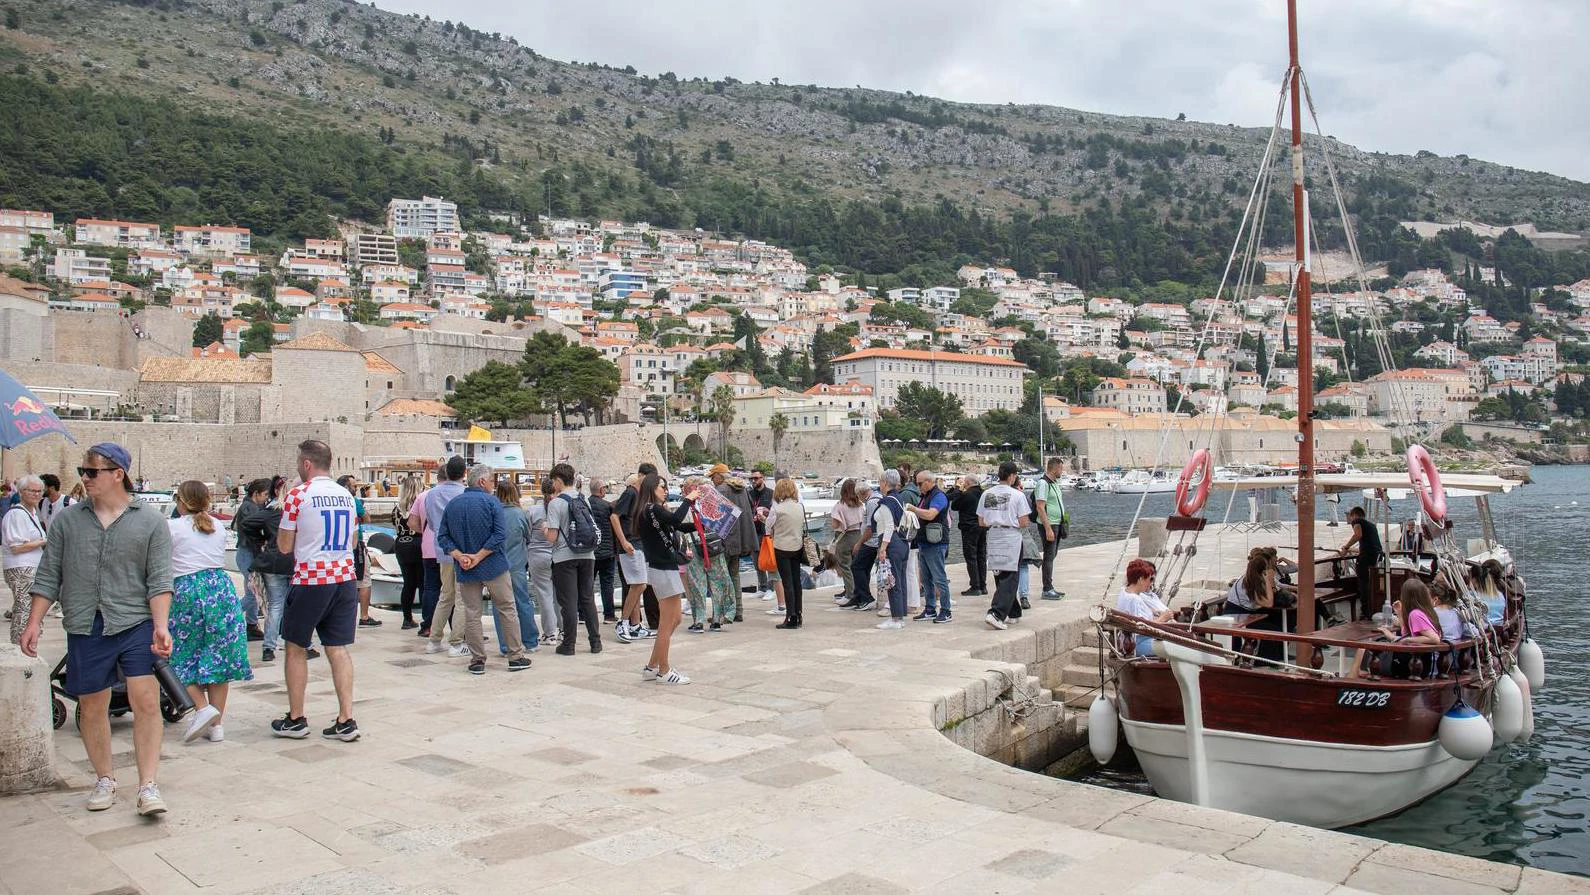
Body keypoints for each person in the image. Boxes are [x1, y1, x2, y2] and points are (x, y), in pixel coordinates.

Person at [20, 443, 175, 815]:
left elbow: (159, 579)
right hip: (85, 622)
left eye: (92, 472)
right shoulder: (68, 521)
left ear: (118, 474)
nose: (85, 478)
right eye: (82, 472)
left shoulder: (150, 521)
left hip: (135, 621)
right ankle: (105, 779)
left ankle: (148, 785)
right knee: (91, 706)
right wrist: (33, 622)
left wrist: (161, 625)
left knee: (146, 700)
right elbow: (49, 574)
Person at [270, 440, 362, 742]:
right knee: (337, 647)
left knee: (295, 647)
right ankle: (346, 718)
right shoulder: (346, 495)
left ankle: (296, 718)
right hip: (344, 577)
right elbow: (352, 541)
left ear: (307, 463)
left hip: (312, 578)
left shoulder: (298, 495)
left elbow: (285, 546)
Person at [167, 480, 252, 744]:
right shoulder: (216, 525)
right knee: (218, 658)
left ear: (181, 501)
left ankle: (202, 708)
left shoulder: (171, 527)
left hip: (187, 590)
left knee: (177, 654)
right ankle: (216, 726)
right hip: (220, 589)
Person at [438, 465, 530, 675]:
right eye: (491, 481)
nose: (492, 485)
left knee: (472, 613)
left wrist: (460, 556)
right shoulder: (492, 502)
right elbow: (499, 535)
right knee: (507, 608)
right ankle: (515, 656)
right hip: (493, 565)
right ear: (482, 482)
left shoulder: (453, 504)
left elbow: (443, 537)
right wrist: (478, 556)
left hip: (465, 567)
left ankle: (477, 659)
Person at [631, 472, 701, 683]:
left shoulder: (650, 511)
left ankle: (652, 666)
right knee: (667, 622)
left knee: (675, 619)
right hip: (663, 568)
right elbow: (676, 519)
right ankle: (664, 670)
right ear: (652, 488)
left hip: (664, 568)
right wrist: (688, 499)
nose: (665, 490)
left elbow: (676, 525)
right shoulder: (652, 509)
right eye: (662, 486)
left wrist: (701, 526)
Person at [544, 462, 603, 656]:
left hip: (564, 557)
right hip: (588, 554)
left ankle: (569, 645)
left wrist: (545, 530)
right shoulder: (583, 500)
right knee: (587, 599)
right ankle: (595, 642)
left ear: (559, 480)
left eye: (553, 481)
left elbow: (552, 537)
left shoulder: (555, 503)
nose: (553, 485)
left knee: (568, 602)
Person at [417, 457, 468, 656]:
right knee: (461, 598)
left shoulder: (431, 494)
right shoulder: (465, 494)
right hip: (463, 552)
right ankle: (456, 643)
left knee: (445, 596)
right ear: (464, 473)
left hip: (442, 550)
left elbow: (431, 524)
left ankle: (434, 640)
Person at [1349, 578, 1442, 679]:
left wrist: (1408, 640)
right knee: (1367, 651)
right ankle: (1353, 680)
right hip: (1418, 663)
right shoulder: (1426, 612)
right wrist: (1400, 614)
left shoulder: (1415, 614)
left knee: (1363, 650)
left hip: (1410, 665)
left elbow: (1434, 639)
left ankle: (1349, 683)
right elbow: (1405, 634)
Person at [979, 461, 1031, 630]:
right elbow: (1024, 522)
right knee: (1011, 576)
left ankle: (1013, 612)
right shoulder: (1017, 495)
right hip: (1010, 536)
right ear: (1012, 476)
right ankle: (996, 613)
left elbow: (981, 521)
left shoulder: (987, 494)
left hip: (993, 534)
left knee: (1000, 573)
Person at [680, 475, 735, 633]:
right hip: (714, 545)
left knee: (697, 584)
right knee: (718, 582)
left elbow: (681, 526)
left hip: (693, 546)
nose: (682, 491)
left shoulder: (688, 505)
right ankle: (717, 619)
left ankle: (699, 620)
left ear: (689, 489)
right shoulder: (711, 501)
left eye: (684, 488)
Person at [611, 464, 658, 642]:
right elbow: (614, 516)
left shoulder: (642, 496)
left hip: (640, 544)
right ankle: (623, 622)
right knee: (639, 585)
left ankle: (636, 625)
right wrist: (623, 541)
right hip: (631, 545)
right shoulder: (630, 493)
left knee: (638, 585)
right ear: (640, 476)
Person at [493, 479, 541, 653]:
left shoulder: (493, 513)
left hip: (496, 565)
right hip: (517, 564)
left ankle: (505, 645)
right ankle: (530, 641)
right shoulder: (521, 514)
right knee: (523, 602)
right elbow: (528, 537)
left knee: (499, 605)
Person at [4, 475, 48, 644]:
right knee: (25, 606)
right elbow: (16, 547)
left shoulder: (32, 513)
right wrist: (44, 541)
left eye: (39, 491)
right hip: (21, 567)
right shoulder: (16, 514)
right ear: (21, 492)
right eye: (32, 491)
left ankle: (26, 642)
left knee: (29, 607)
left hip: (32, 566)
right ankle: (20, 644)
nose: (37, 494)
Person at [713, 464, 760, 622]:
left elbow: (716, 517)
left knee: (721, 577)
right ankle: (738, 610)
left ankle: (723, 613)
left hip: (726, 540)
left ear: (719, 476)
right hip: (741, 538)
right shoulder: (742, 488)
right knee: (734, 575)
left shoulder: (721, 490)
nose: (712, 480)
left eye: (713, 477)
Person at [907, 471, 952, 623]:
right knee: (926, 579)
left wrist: (913, 509)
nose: (918, 486)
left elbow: (930, 514)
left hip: (936, 544)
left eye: (919, 483)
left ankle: (946, 610)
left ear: (928, 482)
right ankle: (930, 609)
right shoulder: (925, 496)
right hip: (925, 542)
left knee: (939, 578)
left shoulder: (938, 496)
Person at [337, 475, 380, 629]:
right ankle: (364, 616)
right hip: (356, 544)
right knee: (364, 580)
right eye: (353, 486)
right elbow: (367, 518)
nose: (355, 489)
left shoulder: (335, 500)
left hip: (339, 545)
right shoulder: (353, 501)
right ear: (347, 487)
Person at [765, 478, 806, 630]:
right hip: (797, 546)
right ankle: (799, 615)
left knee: (787, 583)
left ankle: (790, 617)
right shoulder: (800, 506)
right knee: (796, 582)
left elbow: (768, 528)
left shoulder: (777, 508)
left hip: (781, 547)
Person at [871, 471, 909, 629]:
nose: (879, 484)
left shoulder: (887, 501)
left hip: (891, 543)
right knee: (900, 580)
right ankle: (900, 615)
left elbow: (888, 526)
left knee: (892, 581)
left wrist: (882, 548)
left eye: (880, 481)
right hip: (902, 543)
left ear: (885, 483)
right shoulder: (898, 498)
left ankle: (896, 619)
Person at [1335, 506, 1384, 618]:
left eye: (1350, 517)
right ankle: (1373, 608)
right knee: (1371, 583)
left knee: (1363, 583)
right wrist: (1352, 550)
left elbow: (1358, 535)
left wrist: (1346, 547)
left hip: (1366, 559)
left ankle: (1365, 611)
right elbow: (1369, 545)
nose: (1350, 520)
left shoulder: (1357, 521)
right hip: (1376, 557)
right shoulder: (1371, 526)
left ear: (1354, 515)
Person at [1115, 558, 1172, 656]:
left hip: (1128, 641)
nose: (1151, 583)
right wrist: (1163, 618)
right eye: (1150, 579)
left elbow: (1134, 615)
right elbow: (1142, 629)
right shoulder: (1134, 599)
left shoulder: (1124, 592)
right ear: (1141, 579)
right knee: (1176, 647)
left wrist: (1152, 612)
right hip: (1137, 644)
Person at [527, 479, 560, 643]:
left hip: (537, 555)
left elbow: (526, 534)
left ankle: (549, 633)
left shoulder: (533, 511)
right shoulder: (560, 508)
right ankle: (563, 630)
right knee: (559, 595)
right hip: (558, 555)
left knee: (544, 594)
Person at [392, 476, 424, 629]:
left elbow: (396, 525)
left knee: (408, 583)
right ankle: (427, 620)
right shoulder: (420, 504)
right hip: (418, 543)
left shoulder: (397, 508)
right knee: (423, 583)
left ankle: (407, 618)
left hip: (401, 545)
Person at [1034, 456, 1068, 601]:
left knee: (1052, 555)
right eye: (1061, 468)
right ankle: (1047, 588)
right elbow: (1040, 507)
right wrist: (1048, 528)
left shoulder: (1054, 483)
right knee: (1049, 556)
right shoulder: (1043, 484)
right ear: (1054, 468)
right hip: (1049, 524)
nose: (1062, 471)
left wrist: (1064, 521)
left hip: (1058, 524)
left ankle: (1050, 586)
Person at [828, 478, 865, 606]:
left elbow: (835, 525)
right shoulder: (861, 505)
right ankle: (859, 593)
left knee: (845, 566)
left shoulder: (840, 506)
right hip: (858, 536)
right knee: (856, 566)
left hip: (844, 537)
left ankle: (850, 594)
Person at [947, 475, 986, 597]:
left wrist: (958, 489)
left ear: (967, 483)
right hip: (982, 526)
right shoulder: (983, 493)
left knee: (971, 556)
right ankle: (983, 585)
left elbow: (954, 505)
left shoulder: (967, 494)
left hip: (969, 527)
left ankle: (975, 586)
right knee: (981, 555)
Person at [587, 476, 619, 621]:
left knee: (587, 585)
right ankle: (609, 615)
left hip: (590, 551)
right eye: (605, 488)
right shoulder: (608, 507)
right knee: (607, 584)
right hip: (607, 551)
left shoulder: (585, 505)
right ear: (601, 490)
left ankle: (584, 614)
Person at [844, 482, 879, 611]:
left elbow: (870, 527)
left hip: (871, 542)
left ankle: (866, 597)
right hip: (871, 541)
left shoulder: (871, 503)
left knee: (856, 566)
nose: (858, 498)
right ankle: (858, 596)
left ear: (862, 493)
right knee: (864, 568)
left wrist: (859, 543)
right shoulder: (874, 499)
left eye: (858, 495)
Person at [746, 469, 775, 600]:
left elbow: (775, 513)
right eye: (751, 478)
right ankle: (762, 587)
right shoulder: (748, 494)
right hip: (753, 532)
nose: (753, 481)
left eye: (756, 478)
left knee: (769, 561)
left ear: (763, 478)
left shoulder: (771, 494)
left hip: (766, 532)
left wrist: (767, 513)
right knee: (757, 561)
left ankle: (771, 588)